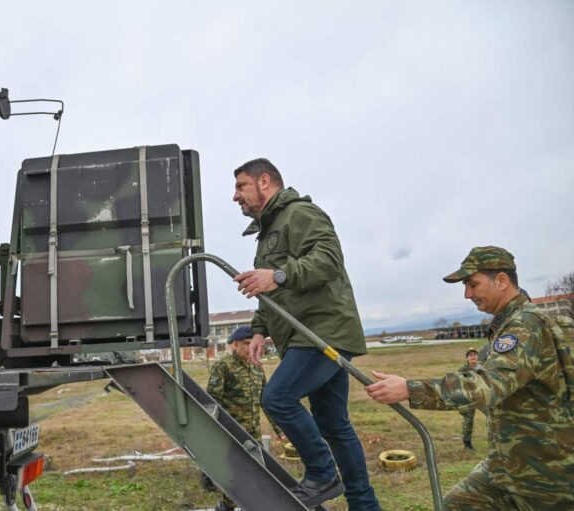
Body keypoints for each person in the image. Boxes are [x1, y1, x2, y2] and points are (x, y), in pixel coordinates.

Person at [365, 246, 574, 510]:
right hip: (507, 467)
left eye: (473, 284)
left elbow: (487, 385)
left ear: (501, 280)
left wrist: (411, 388)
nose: (467, 294)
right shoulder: (507, 323)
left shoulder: (525, 325)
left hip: (545, 476)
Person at [231, 158, 380, 511]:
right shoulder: (268, 231)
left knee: (277, 398)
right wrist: (258, 330)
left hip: (321, 331)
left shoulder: (300, 214)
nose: (235, 196)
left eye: (241, 186)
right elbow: (272, 293)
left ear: (264, 181)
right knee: (333, 423)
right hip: (305, 333)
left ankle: (322, 472)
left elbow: (328, 260)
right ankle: (365, 505)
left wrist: (277, 275)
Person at [205, 325, 285, 511]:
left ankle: (230, 505)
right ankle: (227, 506)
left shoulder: (257, 368)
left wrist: (278, 429)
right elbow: (212, 400)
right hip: (230, 431)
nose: (250, 348)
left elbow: (265, 402)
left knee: (255, 471)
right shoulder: (223, 366)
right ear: (235, 345)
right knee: (236, 473)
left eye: (253, 344)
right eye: (245, 344)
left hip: (253, 432)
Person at [458, 347, 482, 450]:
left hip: (482, 397)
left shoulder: (482, 368)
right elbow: (458, 384)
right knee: (468, 420)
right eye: (470, 355)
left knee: (493, 417)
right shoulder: (462, 370)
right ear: (467, 358)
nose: (473, 357)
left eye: (475, 355)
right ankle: (467, 443)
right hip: (469, 398)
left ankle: (495, 439)